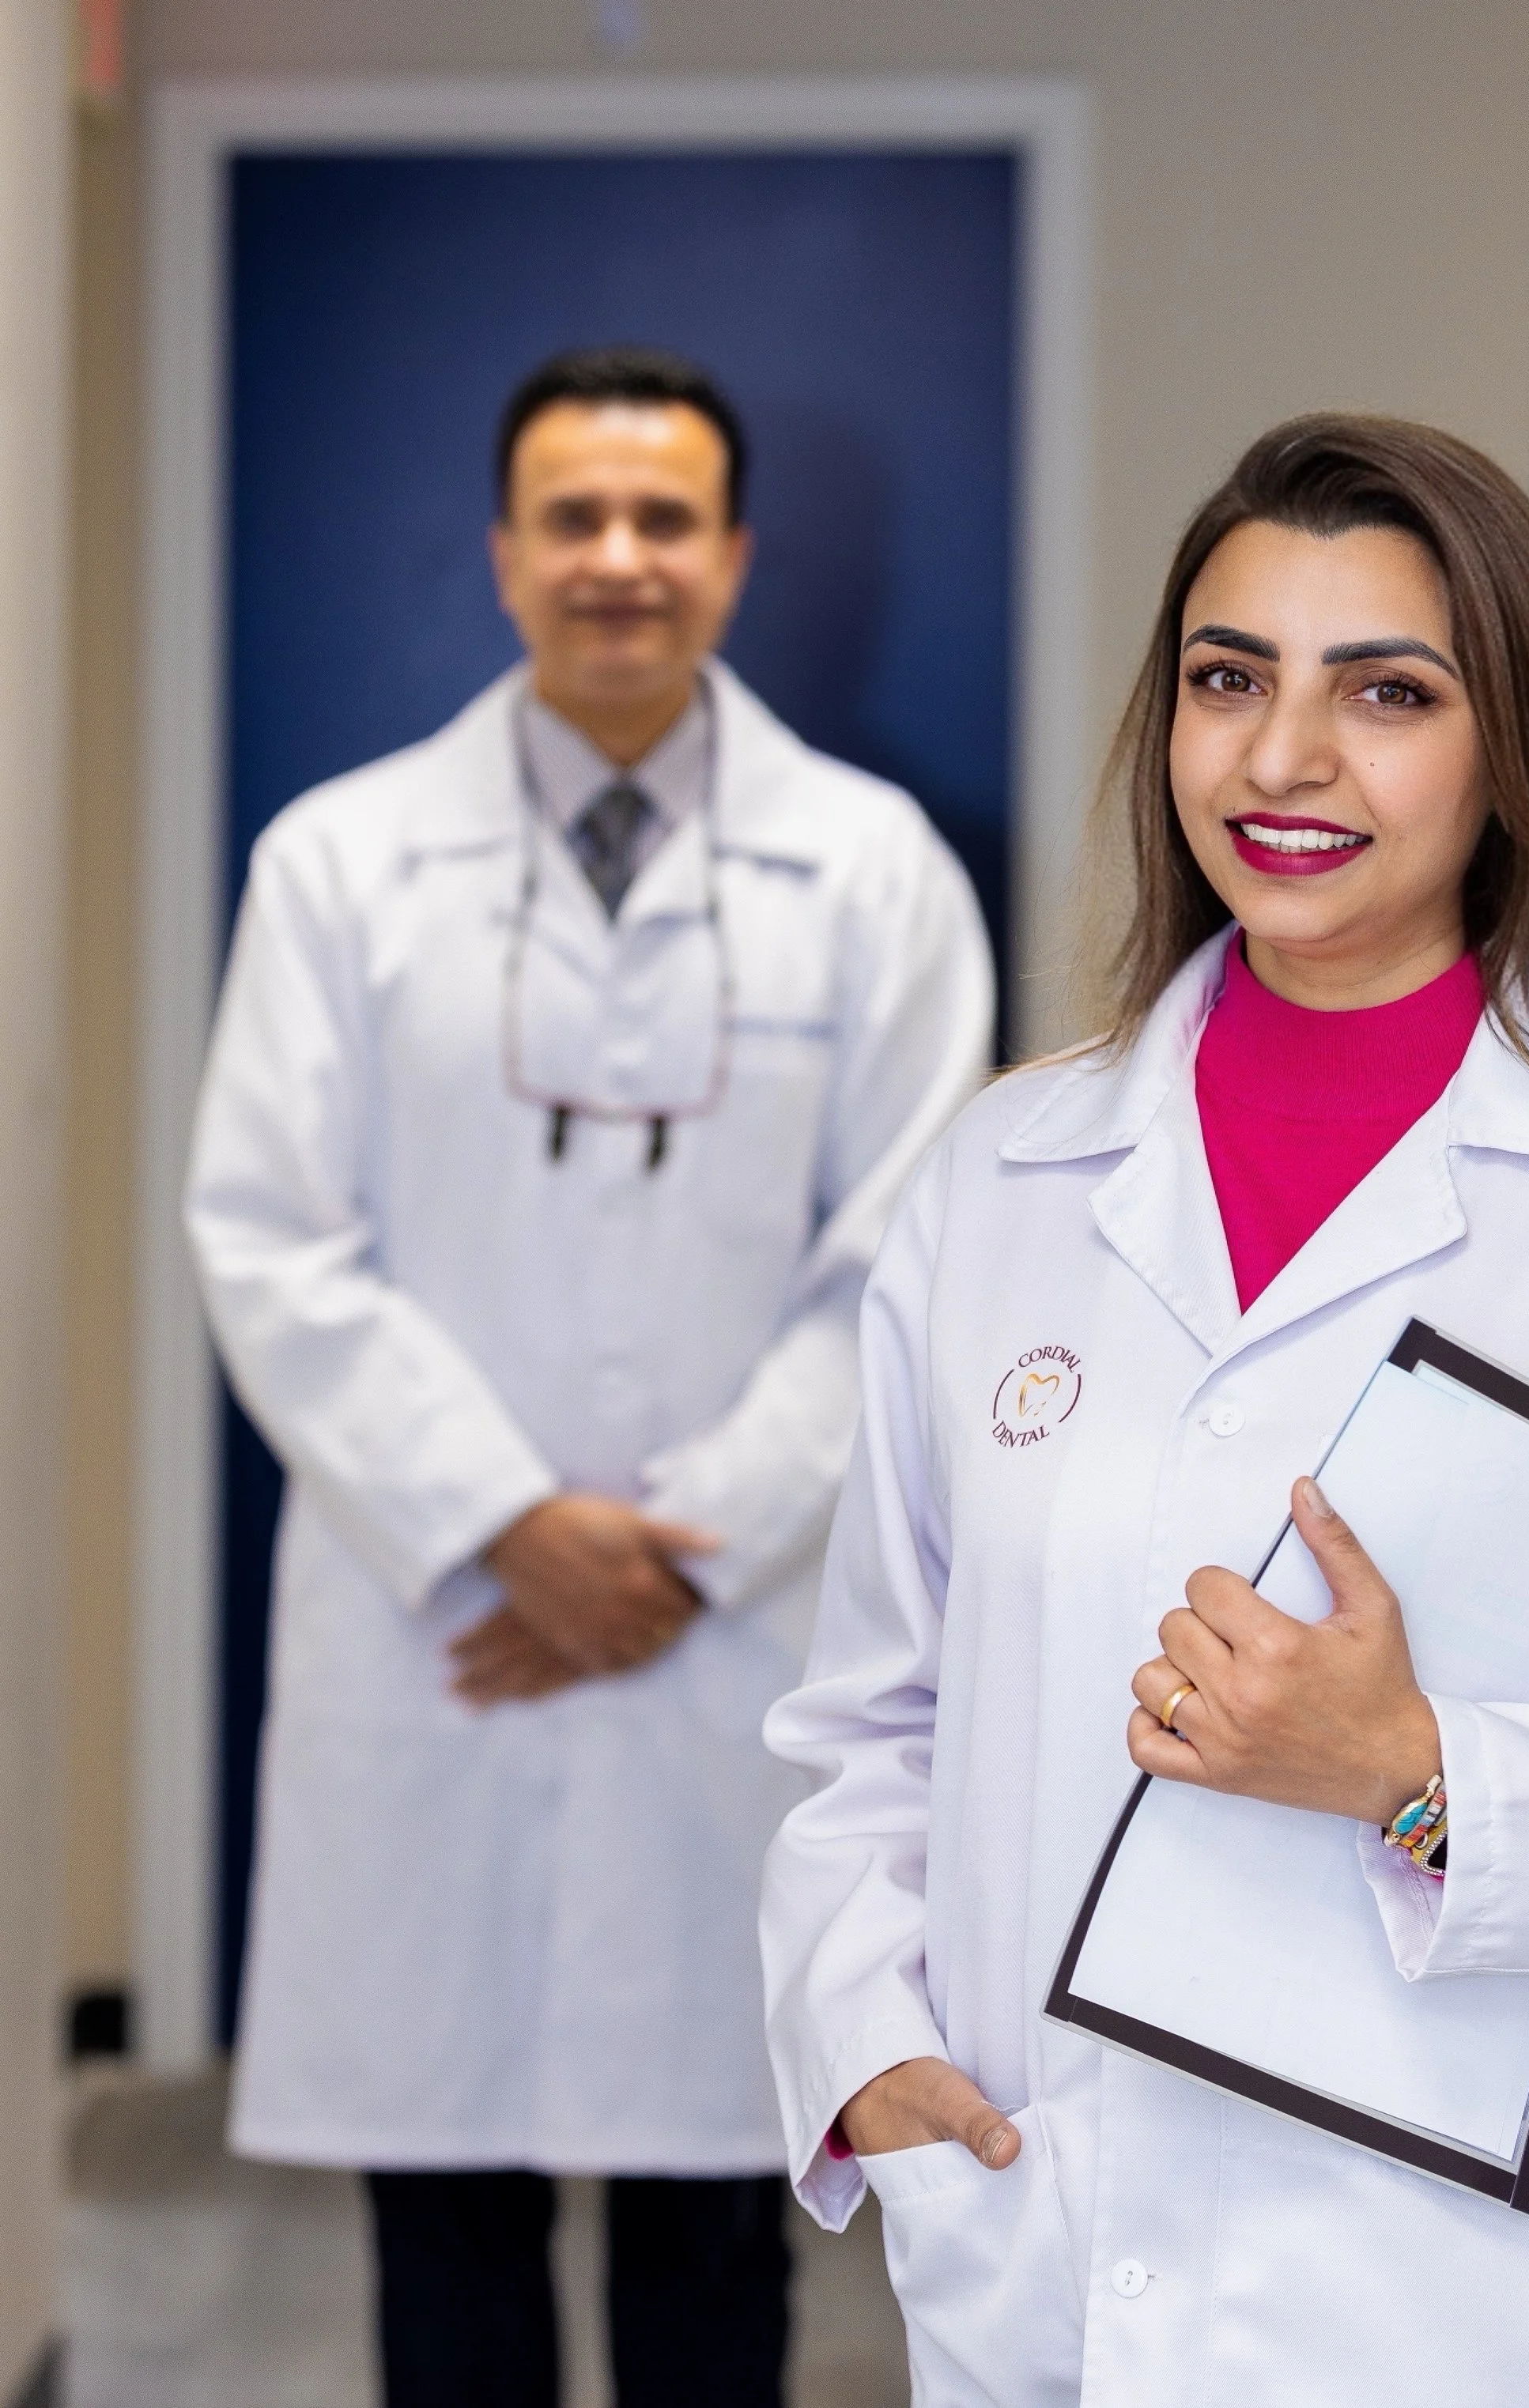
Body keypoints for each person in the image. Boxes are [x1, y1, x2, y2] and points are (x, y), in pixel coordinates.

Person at [757, 415, 1529, 2404]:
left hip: (1481, 2299)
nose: (1281, 759)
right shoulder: (1005, 1176)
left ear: (1511, 751)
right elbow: (875, 1709)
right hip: (1045, 2241)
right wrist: (863, 2046)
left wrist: (1417, 1769)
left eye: (1384, 693)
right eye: (1228, 678)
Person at [186, 344, 995, 2407]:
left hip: (727, 1644)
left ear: (731, 555)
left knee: (719, 2206)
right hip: (439, 1618)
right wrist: (507, 1530)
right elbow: (269, 1236)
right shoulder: (340, 865)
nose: (617, 558)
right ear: (502, 553)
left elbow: (910, 1262)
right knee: (440, 2212)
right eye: (574, 516)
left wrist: (665, 1558)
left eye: (662, 519)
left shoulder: (880, 869)